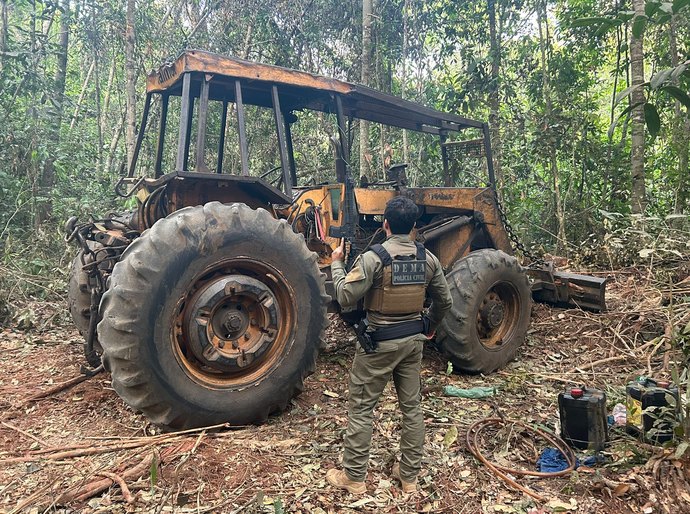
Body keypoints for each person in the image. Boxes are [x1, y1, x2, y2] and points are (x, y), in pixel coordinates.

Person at [326, 196, 452, 494]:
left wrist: (336, 263)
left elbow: (345, 296)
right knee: (412, 408)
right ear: (414, 228)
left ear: (384, 225)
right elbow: (444, 301)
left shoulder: (375, 258)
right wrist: (429, 327)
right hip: (412, 344)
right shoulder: (428, 259)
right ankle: (409, 477)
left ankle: (354, 478)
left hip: (378, 344)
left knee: (362, 409)